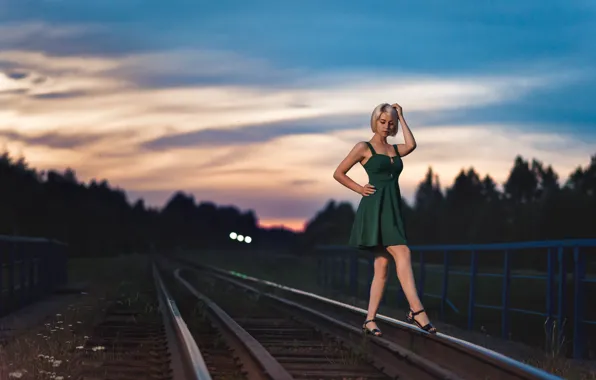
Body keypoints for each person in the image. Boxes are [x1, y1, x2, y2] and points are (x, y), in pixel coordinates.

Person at [332, 102, 437, 336]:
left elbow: (412, 144)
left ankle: (370, 320)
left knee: (382, 266)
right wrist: (360, 189)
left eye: (391, 123)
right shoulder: (364, 147)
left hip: (392, 208)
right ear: (375, 121)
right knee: (403, 252)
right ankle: (417, 311)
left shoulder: (393, 149)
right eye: (382, 122)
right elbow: (339, 173)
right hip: (374, 207)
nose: (386, 127)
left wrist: (401, 115)